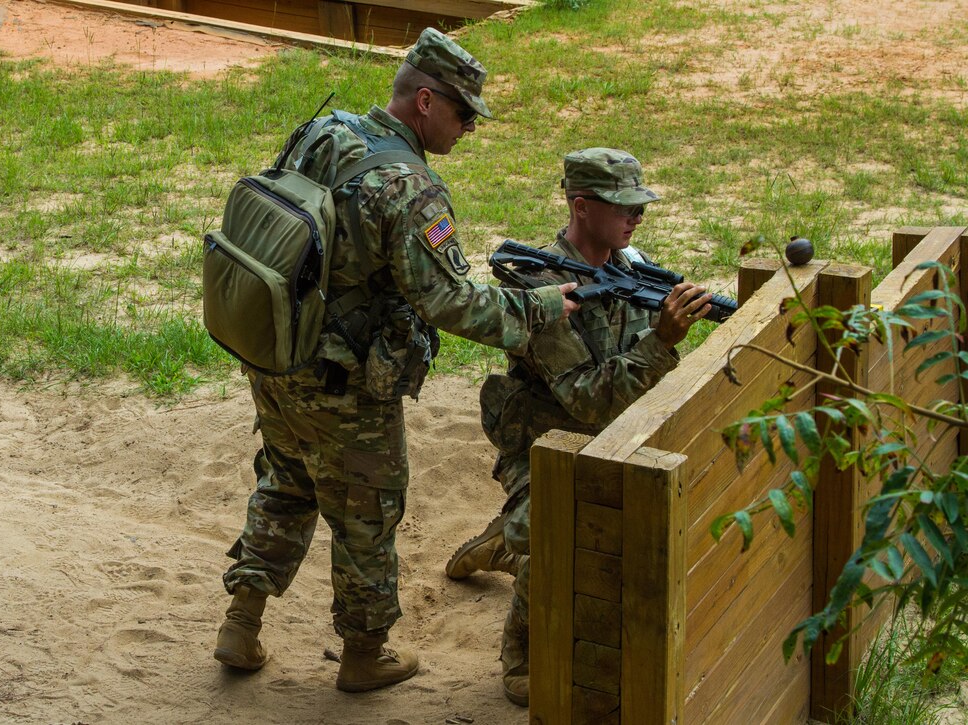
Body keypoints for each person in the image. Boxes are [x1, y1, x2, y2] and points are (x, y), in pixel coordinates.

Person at [214, 28, 579, 693]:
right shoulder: (408, 187)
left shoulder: (324, 131)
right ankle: (364, 654)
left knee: (287, 481)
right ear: (424, 101)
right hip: (343, 382)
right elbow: (450, 303)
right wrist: (543, 308)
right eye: (464, 112)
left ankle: (241, 622)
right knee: (367, 512)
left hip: (274, 354)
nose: (470, 127)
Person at [445, 148, 713, 706]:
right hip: (544, 447)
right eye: (624, 206)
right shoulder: (542, 291)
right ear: (582, 206)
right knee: (557, 534)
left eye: (640, 205)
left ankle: (504, 541)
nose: (636, 217)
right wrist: (660, 341)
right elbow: (585, 399)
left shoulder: (631, 265)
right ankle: (523, 650)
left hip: (618, 436)